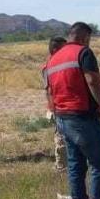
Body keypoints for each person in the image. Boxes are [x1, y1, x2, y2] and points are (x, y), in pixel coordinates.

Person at [43, 22, 100, 199]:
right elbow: (93, 82)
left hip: (63, 118)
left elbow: (50, 90)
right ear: (84, 37)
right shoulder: (83, 52)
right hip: (83, 117)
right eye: (89, 40)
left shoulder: (54, 59)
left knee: (75, 163)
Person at [43, 37, 68, 172]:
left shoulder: (63, 63)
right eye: (63, 48)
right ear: (54, 50)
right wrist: (53, 108)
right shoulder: (49, 66)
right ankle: (61, 166)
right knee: (60, 137)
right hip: (57, 107)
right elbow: (48, 90)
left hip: (65, 106)